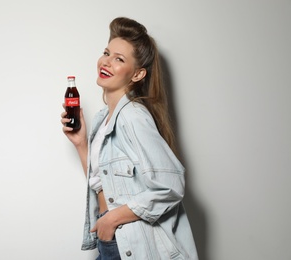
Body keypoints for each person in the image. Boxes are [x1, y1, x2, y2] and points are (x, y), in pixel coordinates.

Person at [61, 17, 198, 260]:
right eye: (107, 53)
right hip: (113, 240)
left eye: (119, 59)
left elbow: (172, 186)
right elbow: (101, 184)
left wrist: (111, 219)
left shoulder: (133, 116)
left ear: (137, 74)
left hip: (129, 242)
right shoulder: (104, 118)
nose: (106, 62)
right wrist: (81, 143)